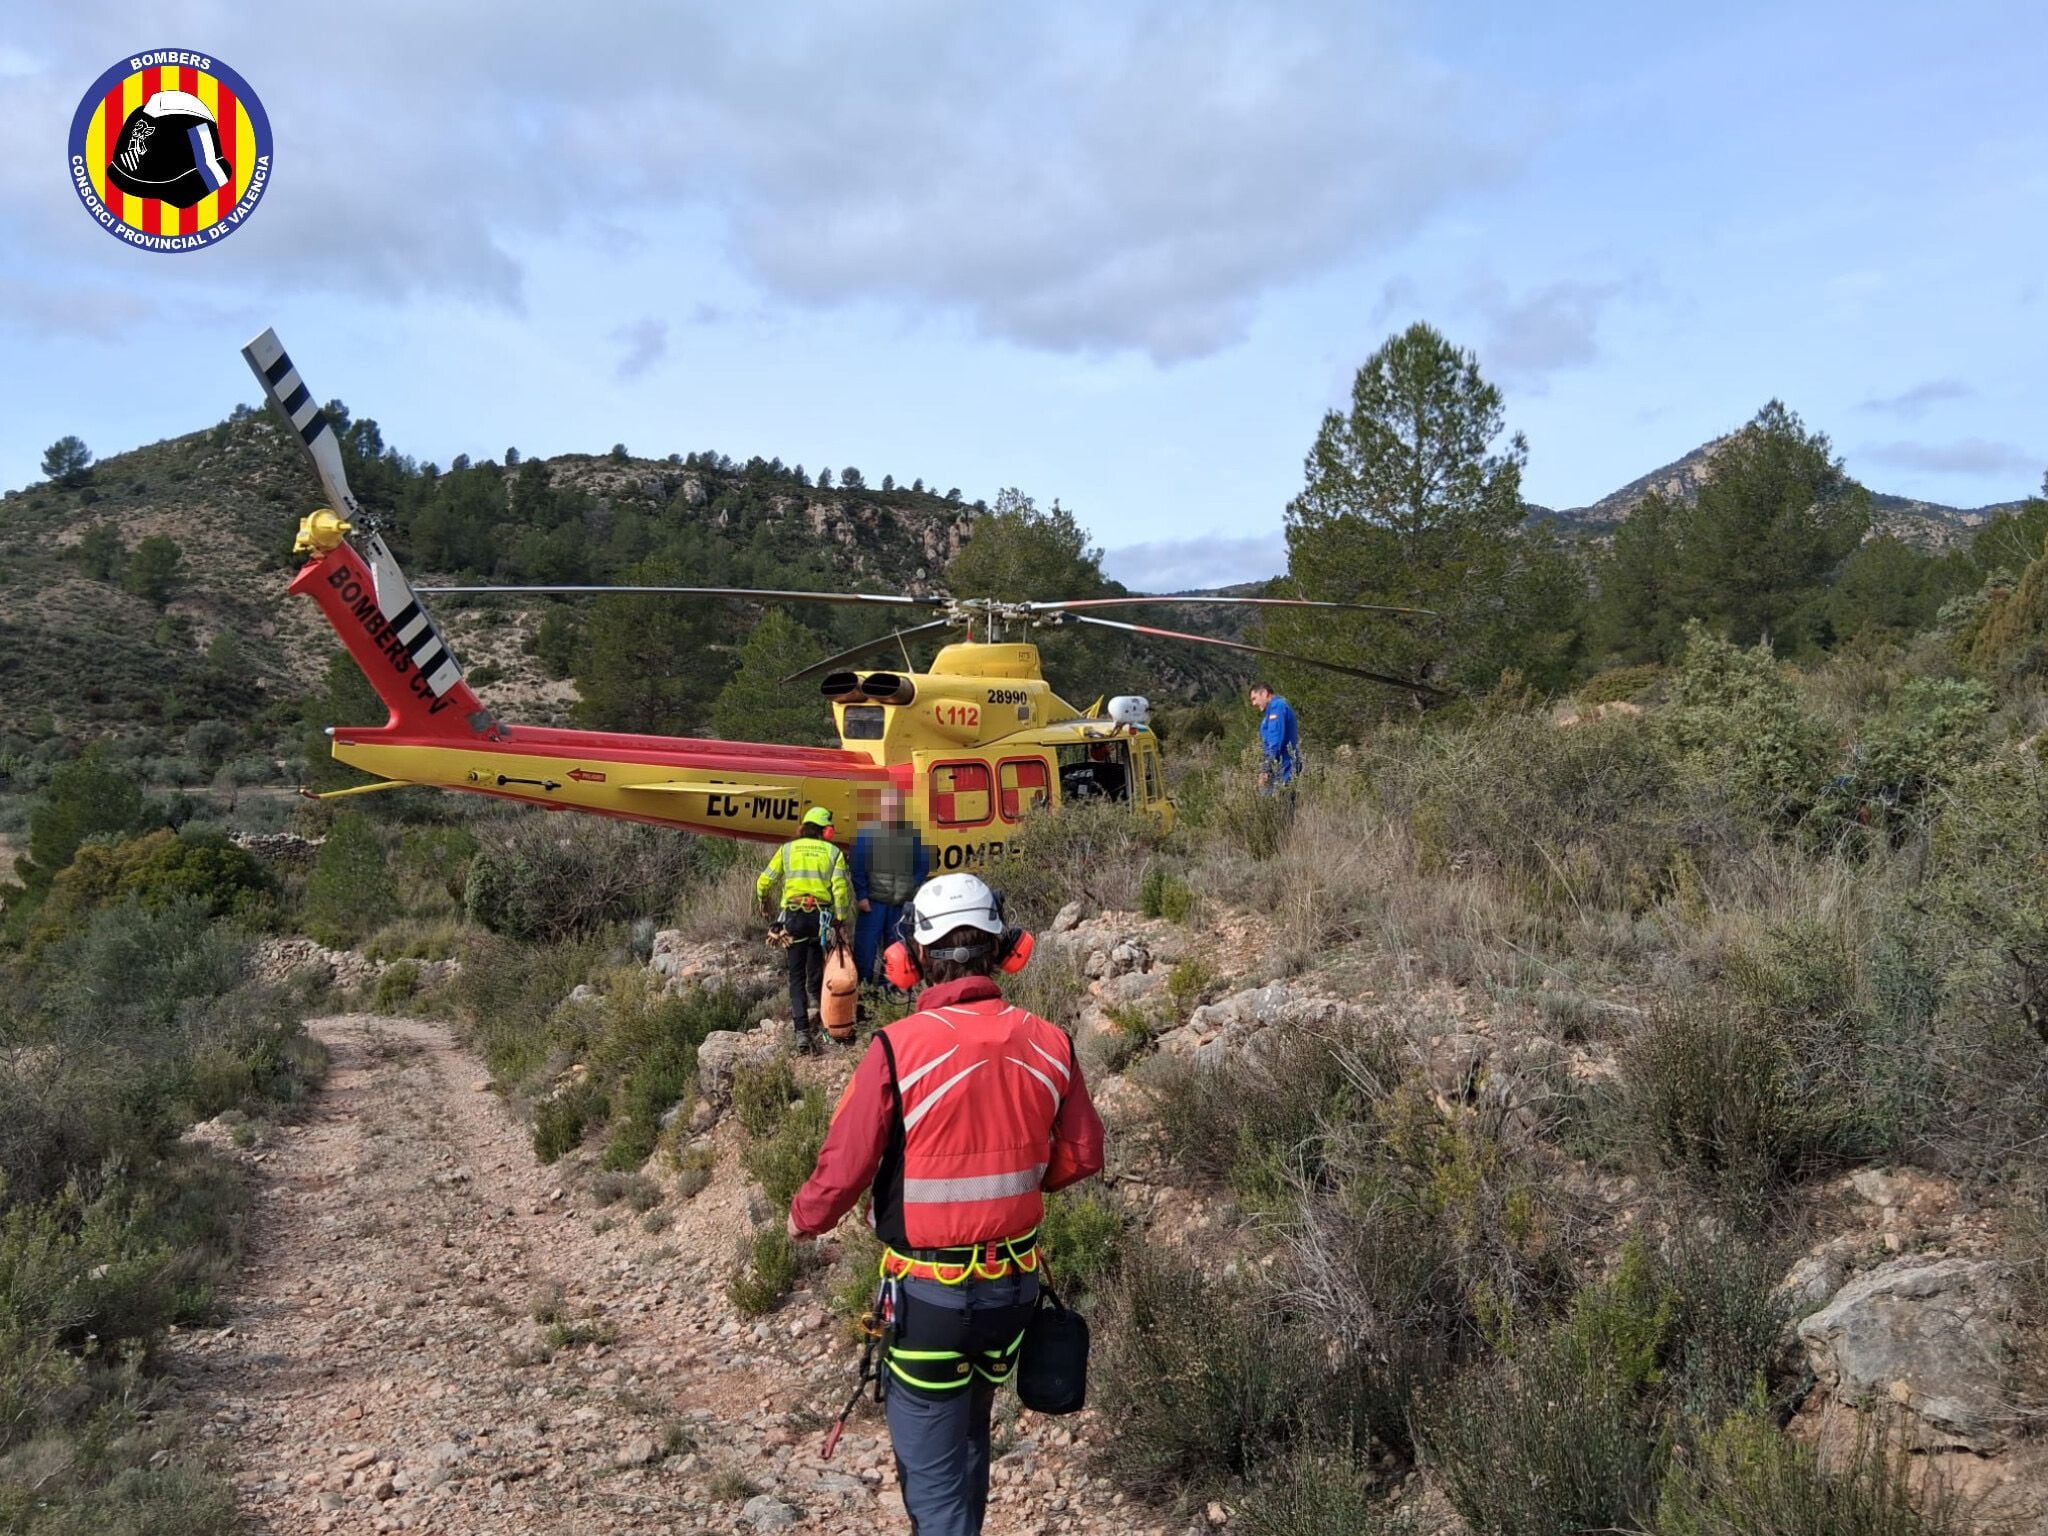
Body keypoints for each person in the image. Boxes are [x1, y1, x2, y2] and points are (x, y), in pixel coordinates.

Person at [789, 874, 1105, 1536]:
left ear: (912, 961)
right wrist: (1013, 1185)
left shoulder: (896, 1049)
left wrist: (804, 1220)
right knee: (968, 1442)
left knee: (931, 1479)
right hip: (1013, 1295)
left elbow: (842, 1167)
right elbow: (1080, 1154)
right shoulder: (1051, 1040)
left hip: (928, 1301)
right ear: (1007, 948)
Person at [756, 806, 854, 1052]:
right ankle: (827, 1025)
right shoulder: (834, 853)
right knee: (818, 973)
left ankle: (801, 1032)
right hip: (820, 921)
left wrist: (763, 901)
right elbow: (841, 891)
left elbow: (764, 881)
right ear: (826, 831)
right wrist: (840, 920)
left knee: (796, 978)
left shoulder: (787, 849)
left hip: (794, 919)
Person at [852, 786, 930, 984]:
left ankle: (891, 996)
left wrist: (913, 887)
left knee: (899, 955)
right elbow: (857, 865)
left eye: (895, 808)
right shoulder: (867, 834)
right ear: (881, 809)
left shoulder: (912, 835)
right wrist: (861, 896)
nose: (891, 812)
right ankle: (864, 998)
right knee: (865, 953)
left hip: (900, 908)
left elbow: (923, 864)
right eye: (888, 808)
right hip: (874, 905)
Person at [1250, 682, 1301, 792]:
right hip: (1279, 764)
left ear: (1264, 693)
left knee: (1278, 803)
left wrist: (1266, 768)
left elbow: (1275, 740)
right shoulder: (1272, 711)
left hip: (1284, 763)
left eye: (1255, 698)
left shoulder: (1277, 706)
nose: (1253, 703)